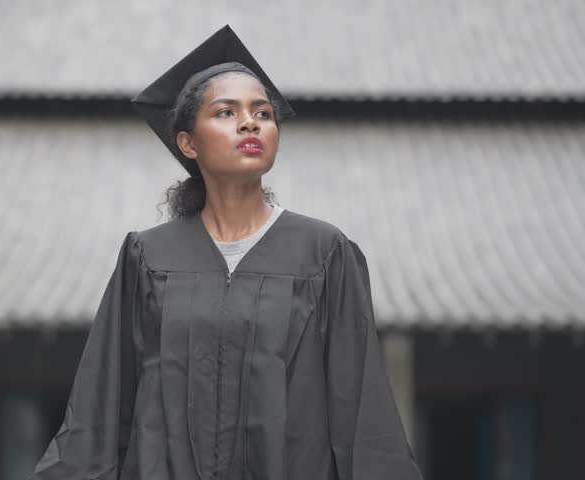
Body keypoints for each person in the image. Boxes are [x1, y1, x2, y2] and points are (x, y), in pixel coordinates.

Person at [30, 25, 423, 480]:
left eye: (263, 112)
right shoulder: (148, 256)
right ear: (188, 143)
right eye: (225, 112)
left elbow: (363, 414)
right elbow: (98, 414)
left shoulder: (323, 254)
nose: (250, 122)